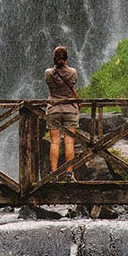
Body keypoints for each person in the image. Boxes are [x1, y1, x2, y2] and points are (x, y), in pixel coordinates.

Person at [45, 45, 80, 181]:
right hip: (70, 110)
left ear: (54, 58)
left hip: (54, 109)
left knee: (54, 142)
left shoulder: (48, 73)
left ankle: (53, 174)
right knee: (69, 142)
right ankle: (69, 174)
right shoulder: (73, 72)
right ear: (66, 58)